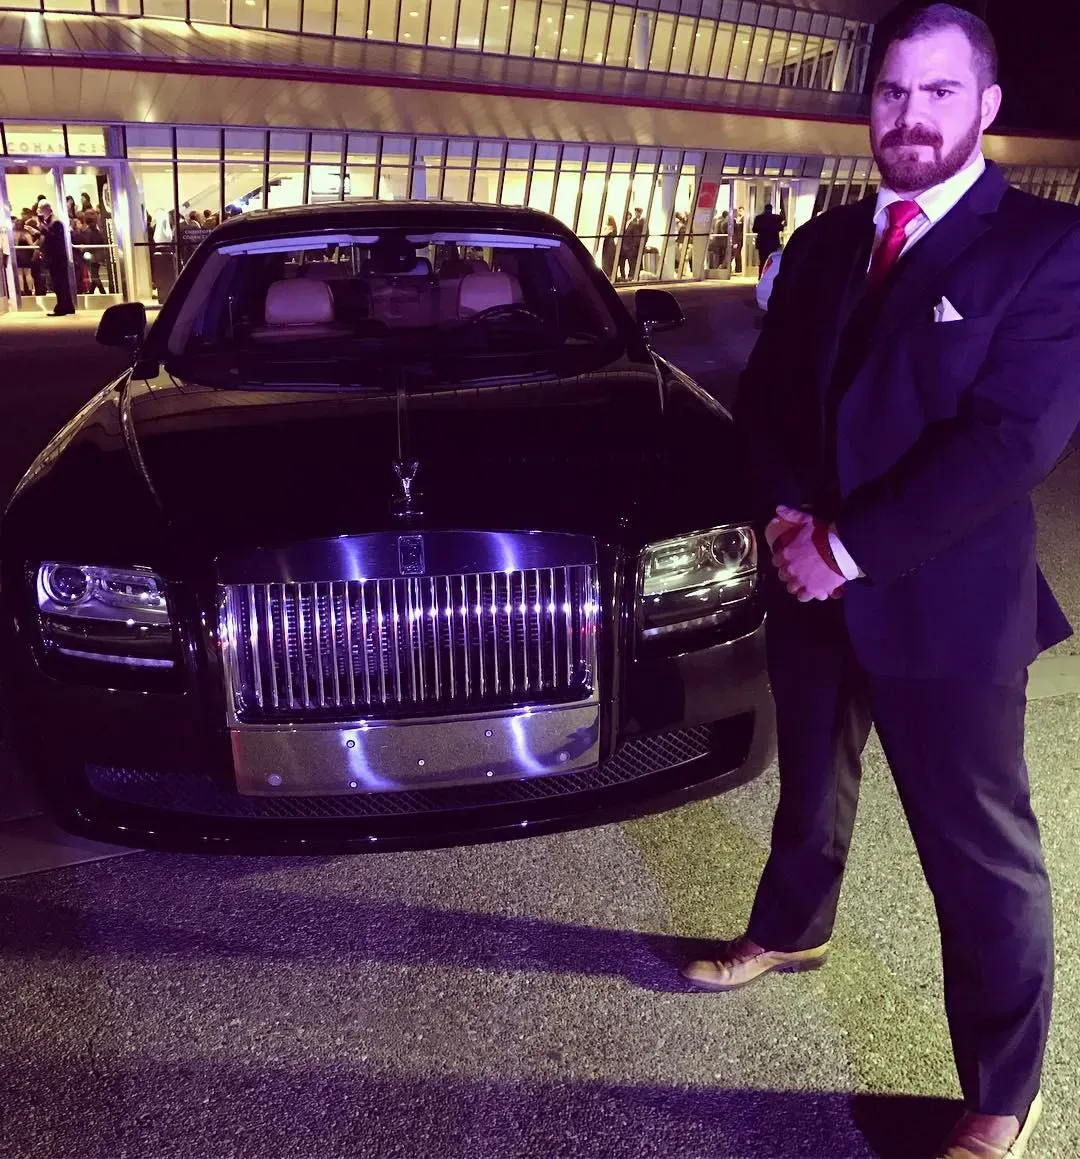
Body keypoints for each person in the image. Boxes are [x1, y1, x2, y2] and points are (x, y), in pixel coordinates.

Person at [682, 6, 1080, 1158]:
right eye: (893, 92)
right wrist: (782, 518)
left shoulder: (1043, 252)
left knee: (979, 851)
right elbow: (765, 400)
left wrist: (845, 544)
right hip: (810, 584)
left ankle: (1004, 1089)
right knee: (811, 789)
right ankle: (792, 929)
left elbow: (1010, 442)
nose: (910, 117)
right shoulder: (823, 243)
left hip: (944, 607)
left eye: (939, 93)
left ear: (987, 109)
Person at [36, 202, 75, 316]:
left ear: (47, 209)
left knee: (59, 283)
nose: (38, 211)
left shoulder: (55, 222)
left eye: (40, 208)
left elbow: (56, 239)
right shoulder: (51, 222)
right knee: (60, 282)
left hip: (57, 258)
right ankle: (67, 306)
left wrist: (43, 230)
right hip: (55, 257)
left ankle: (62, 307)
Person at [752, 201, 786, 272]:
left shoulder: (759, 218)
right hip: (773, 243)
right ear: (771, 209)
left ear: (764, 209)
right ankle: (770, 275)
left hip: (762, 242)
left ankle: (761, 276)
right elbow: (781, 228)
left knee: (762, 260)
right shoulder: (776, 218)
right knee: (771, 260)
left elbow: (754, 229)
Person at [601, 215, 618, 281]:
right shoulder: (611, 227)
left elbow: (605, 234)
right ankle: (608, 274)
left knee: (607, 259)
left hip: (609, 243)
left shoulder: (610, 227)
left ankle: (608, 275)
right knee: (606, 259)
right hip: (608, 243)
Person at [731, 207, 745, 273]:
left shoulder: (743, 219)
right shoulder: (736, 219)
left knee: (737, 253)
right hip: (737, 239)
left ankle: (739, 268)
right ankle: (738, 268)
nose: (739, 212)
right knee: (737, 253)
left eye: (741, 211)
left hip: (740, 239)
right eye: (739, 211)